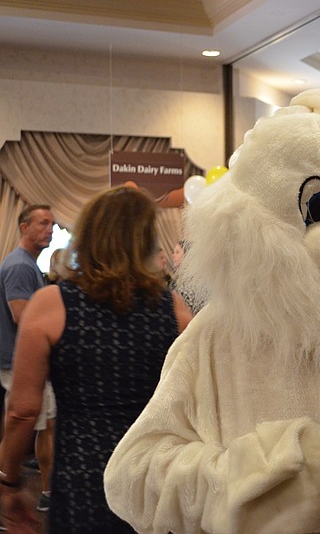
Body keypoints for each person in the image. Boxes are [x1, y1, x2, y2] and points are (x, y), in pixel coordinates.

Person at [0, 187, 192, 534]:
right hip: (153, 480)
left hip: (83, 480)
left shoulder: (52, 304)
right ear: (146, 241)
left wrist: (9, 481)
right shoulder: (175, 311)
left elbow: (22, 411)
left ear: (89, 236)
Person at [0, 204, 56, 514]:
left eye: (52, 224)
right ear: (24, 227)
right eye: (43, 223)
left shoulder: (27, 264)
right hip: (21, 364)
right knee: (17, 435)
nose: (50, 229)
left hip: (24, 363)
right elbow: (24, 320)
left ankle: (48, 491)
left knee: (45, 427)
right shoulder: (20, 266)